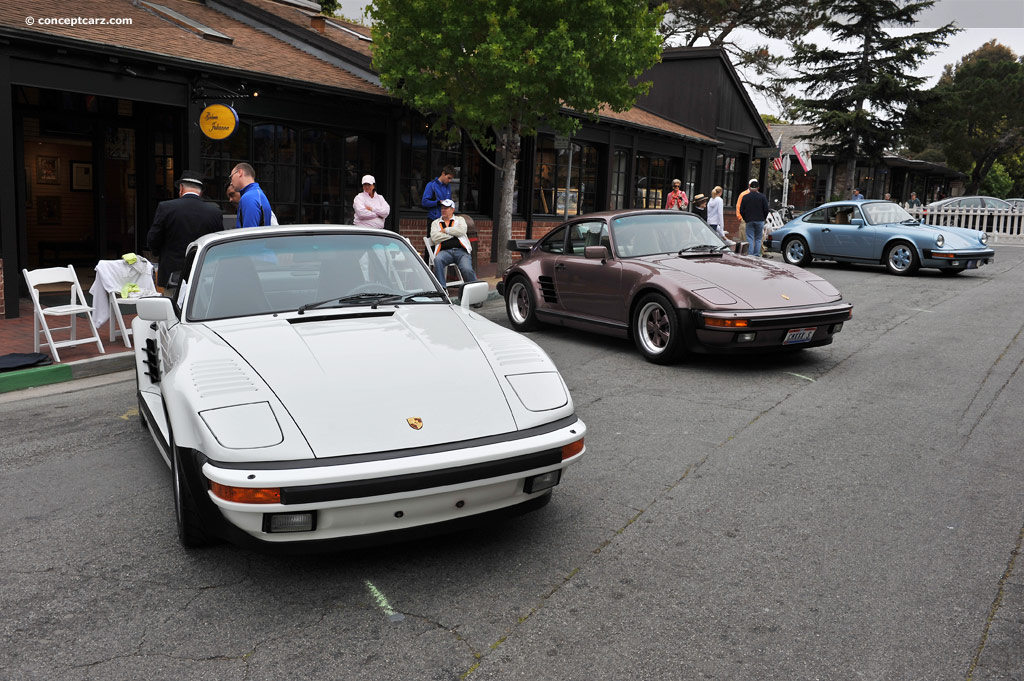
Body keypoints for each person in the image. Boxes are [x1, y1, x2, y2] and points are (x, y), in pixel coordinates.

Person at [147, 170, 223, 292]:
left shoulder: (166, 208)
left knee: (172, 309)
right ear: (201, 191)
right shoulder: (214, 212)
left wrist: (158, 253)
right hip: (203, 273)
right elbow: (218, 245)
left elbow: (153, 239)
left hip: (172, 274)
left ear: (181, 188)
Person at [429, 198, 476, 284]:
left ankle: (475, 287)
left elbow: (462, 231)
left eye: (446, 208)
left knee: (467, 269)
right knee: (438, 260)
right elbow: (435, 237)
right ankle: (442, 289)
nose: (443, 210)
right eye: (442, 208)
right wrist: (454, 234)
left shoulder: (460, 220)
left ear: (452, 209)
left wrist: (446, 230)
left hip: (461, 251)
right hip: (444, 252)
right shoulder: (435, 223)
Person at [230, 162, 274, 228]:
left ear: (240, 172)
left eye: (231, 177)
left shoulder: (249, 197)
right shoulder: (257, 194)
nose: (231, 182)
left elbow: (249, 234)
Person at [739, 179, 770, 257]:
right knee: (758, 239)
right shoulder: (762, 197)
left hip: (749, 220)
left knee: (749, 238)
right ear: (758, 188)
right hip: (760, 220)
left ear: (750, 187)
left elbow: (741, 210)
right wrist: (763, 218)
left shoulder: (745, 197)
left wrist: (745, 218)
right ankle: (756, 254)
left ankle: (750, 254)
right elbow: (766, 209)